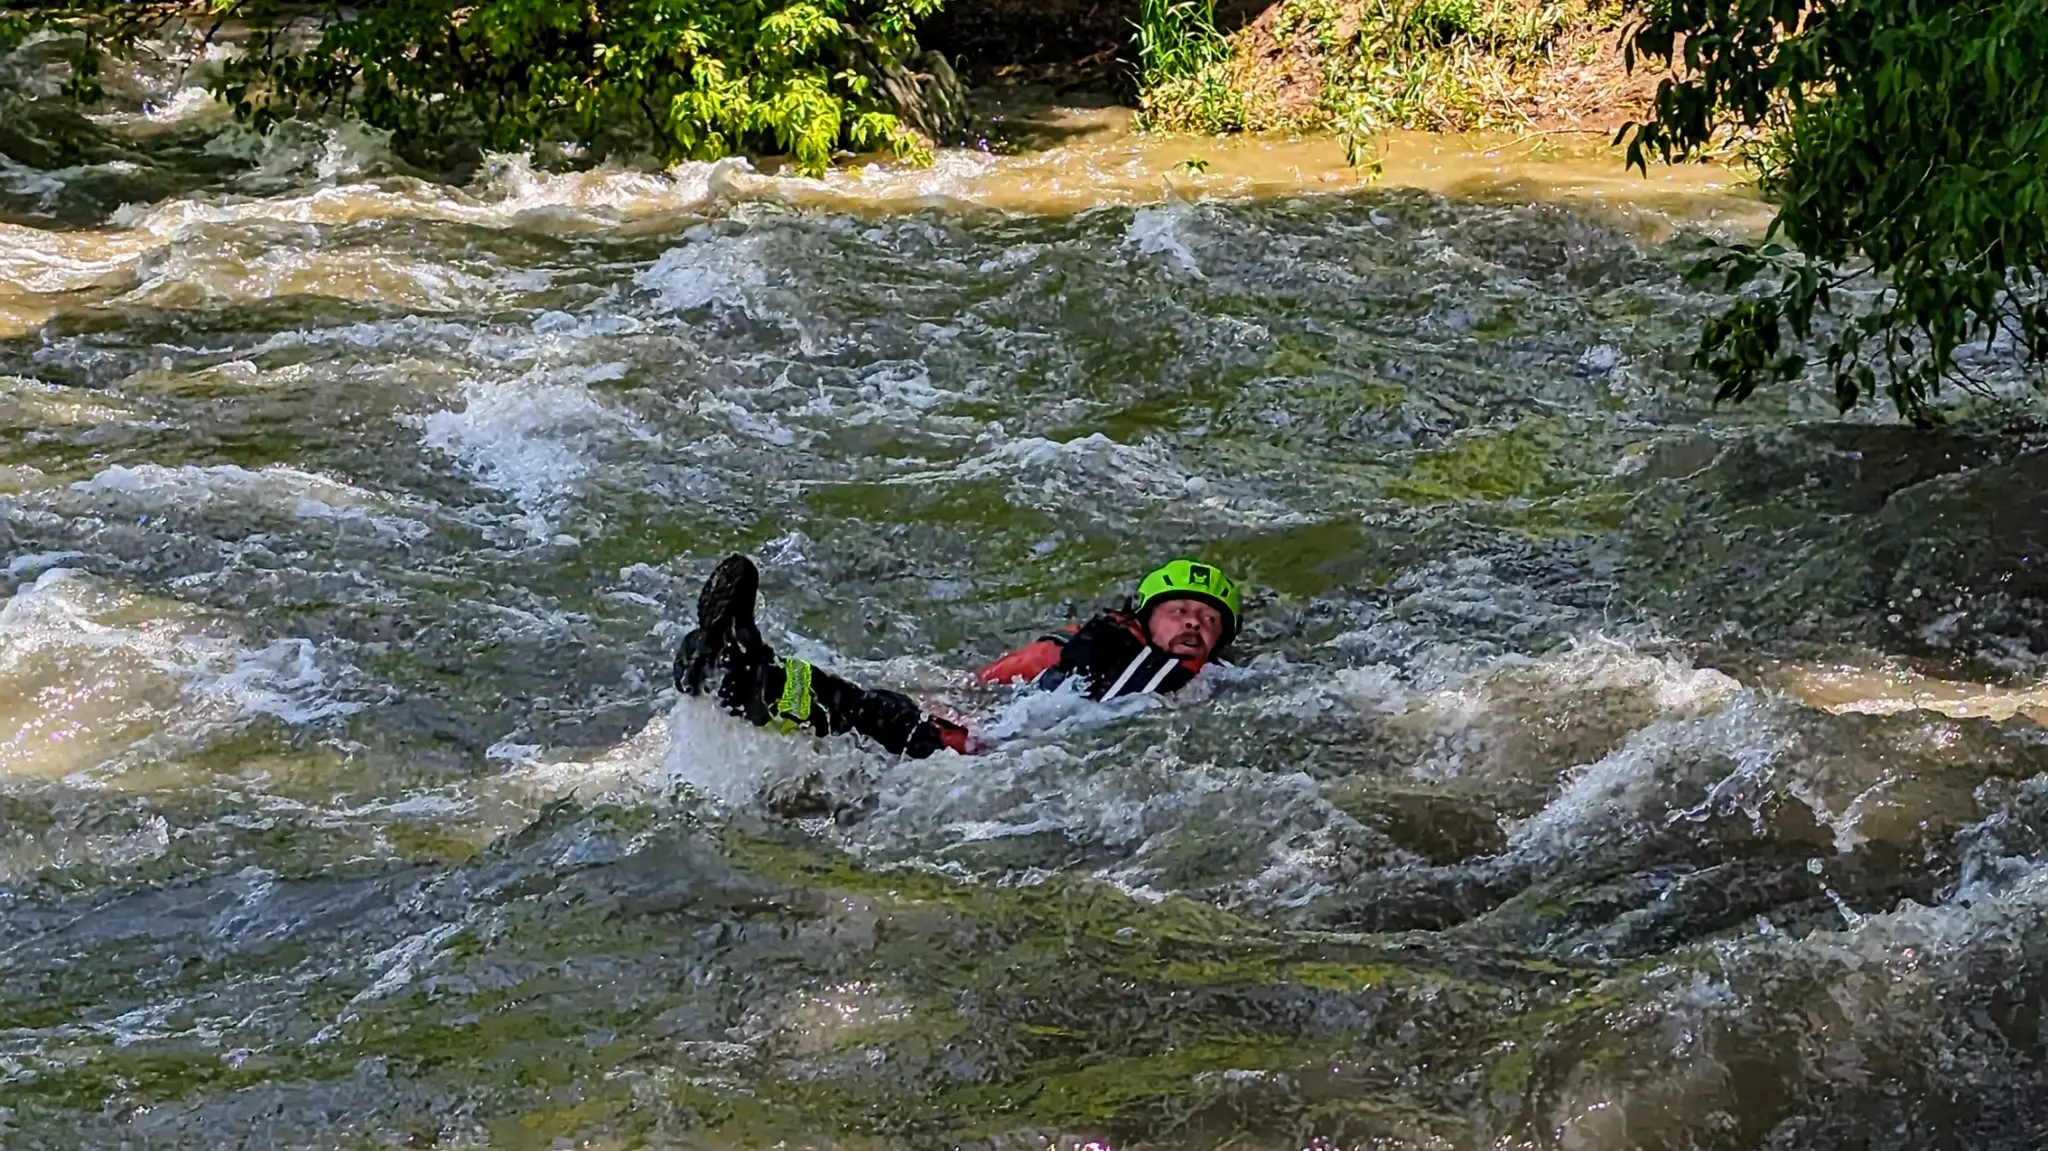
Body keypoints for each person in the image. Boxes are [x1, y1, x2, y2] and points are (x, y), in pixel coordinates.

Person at [672, 554, 1244, 758]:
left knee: (879, 720)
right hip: (993, 737)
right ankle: (748, 674)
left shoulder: (1201, 684)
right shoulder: (1086, 643)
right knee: (884, 712)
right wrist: (946, 702)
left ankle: (753, 679)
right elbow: (988, 683)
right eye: (1181, 610)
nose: (1195, 622)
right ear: (1143, 614)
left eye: (1210, 620)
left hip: (1008, 754)